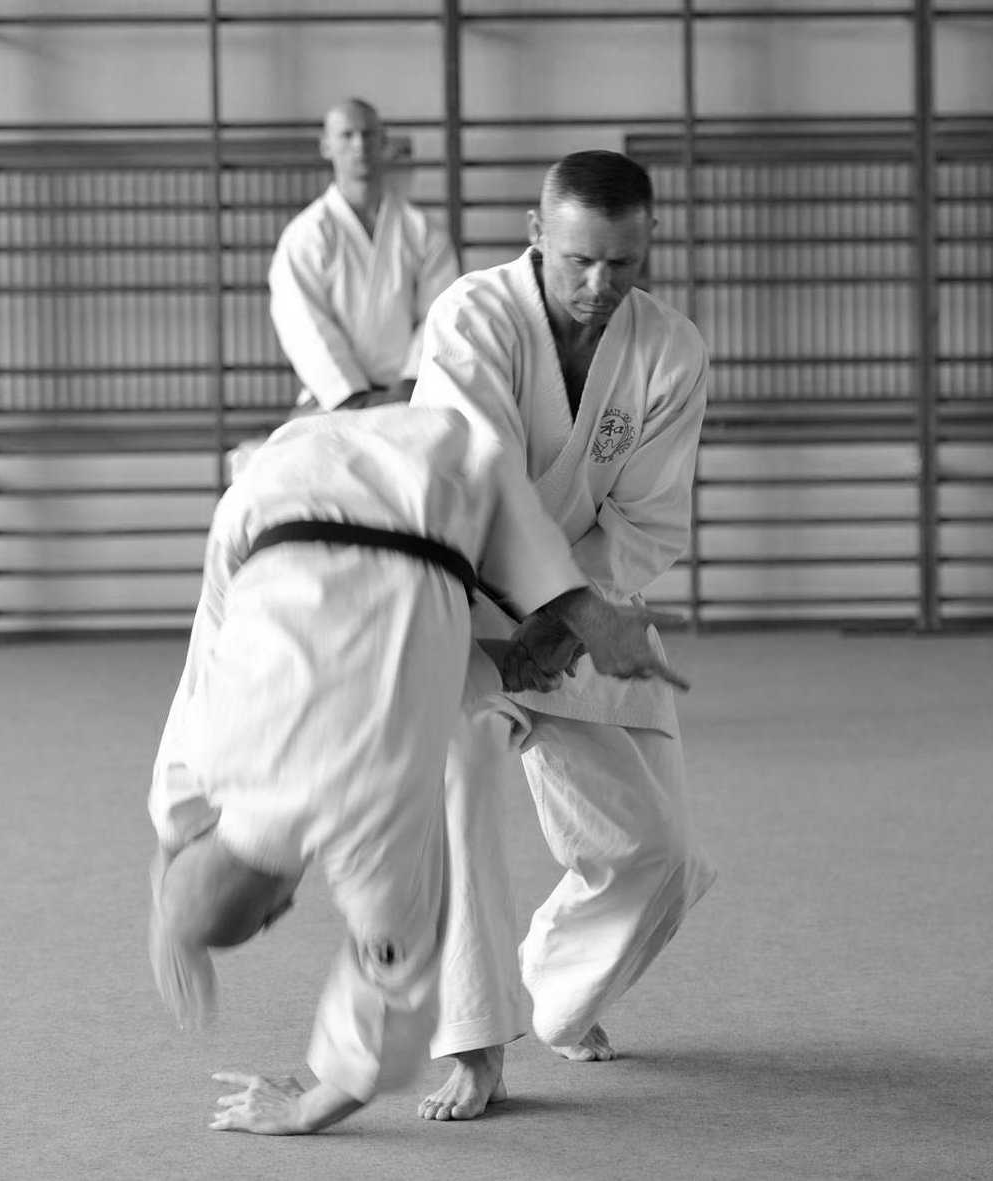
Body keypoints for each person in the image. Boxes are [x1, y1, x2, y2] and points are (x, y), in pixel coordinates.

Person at [147, 403, 688, 1135]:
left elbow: (387, 999)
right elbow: (178, 815)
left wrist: (306, 1109)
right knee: (256, 614)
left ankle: (571, 619)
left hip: (439, 496)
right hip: (280, 484)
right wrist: (171, 916)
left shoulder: (365, 839)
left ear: (282, 908)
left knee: (437, 656)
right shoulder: (209, 749)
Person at [409, 150, 716, 1121]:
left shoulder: (669, 349)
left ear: (647, 244)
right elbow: (479, 483)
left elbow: (647, 518)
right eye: (579, 259)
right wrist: (557, 609)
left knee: (658, 851)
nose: (599, 284)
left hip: (584, 606)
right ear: (537, 234)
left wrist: (569, 615)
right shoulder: (473, 317)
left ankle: (556, 992)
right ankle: (470, 1047)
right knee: (459, 817)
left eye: (622, 263)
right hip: (455, 606)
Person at [268, 97, 459, 415]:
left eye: (368, 134)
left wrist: (410, 383)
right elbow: (302, 321)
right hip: (331, 399)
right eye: (347, 135)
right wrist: (350, 395)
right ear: (326, 146)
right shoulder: (306, 235)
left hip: (412, 395)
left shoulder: (423, 231)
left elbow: (441, 312)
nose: (359, 144)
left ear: (383, 143)